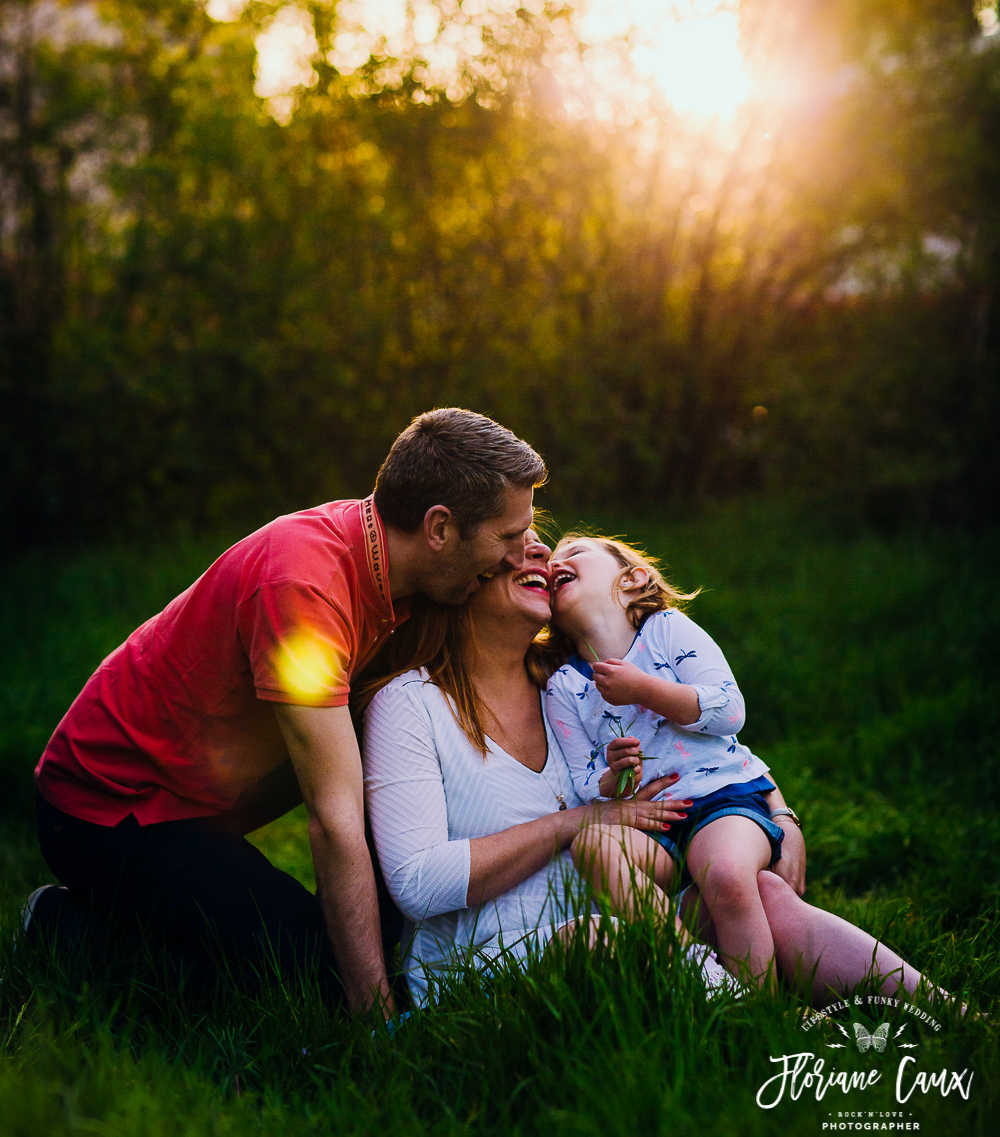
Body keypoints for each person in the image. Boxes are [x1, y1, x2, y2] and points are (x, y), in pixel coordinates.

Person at [28, 408, 545, 1015]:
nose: (520, 554)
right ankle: (64, 930)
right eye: (508, 538)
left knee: (367, 936)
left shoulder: (404, 565)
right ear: (439, 528)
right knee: (307, 974)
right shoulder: (304, 587)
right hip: (111, 809)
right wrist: (371, 1008)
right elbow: (333, 820)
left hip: (212, 784)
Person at [362, 532, 948, 1010]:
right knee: (602, 940)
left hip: (617, 910)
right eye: (515, 543)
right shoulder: (410, 704)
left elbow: (697, 743)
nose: (539, 552)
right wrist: (575, 823)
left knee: (760, 891)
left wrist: (777, 810)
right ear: (458, 577)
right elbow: (417, 884)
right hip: (491, 958)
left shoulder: (562, 682)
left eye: (542, 542)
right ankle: (750, 1018)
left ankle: (953, 1016)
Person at [544, 533, 781, 987]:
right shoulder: (564, 687)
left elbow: (729, 710)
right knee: (591, 846)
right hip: (654, 826)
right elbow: (584, 782)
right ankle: (699, 973)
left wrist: (644, 690)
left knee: (727, 874)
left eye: (574, 554)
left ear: (633, 580)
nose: (558, 562)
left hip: (721, 799)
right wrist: (612, 775)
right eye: (553, 561)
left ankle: (762, 1008)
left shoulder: (667, 630)